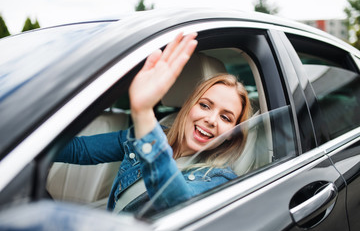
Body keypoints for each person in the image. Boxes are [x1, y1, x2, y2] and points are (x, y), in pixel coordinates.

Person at [55, 33, 252, 213]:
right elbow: (81, 150)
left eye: (226, 117)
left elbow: (176, 203)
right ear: (189, 106)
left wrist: (143, 114)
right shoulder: (148, 134)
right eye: (205, 105)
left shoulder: (220, 180)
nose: (211, 120)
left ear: (232, 133)